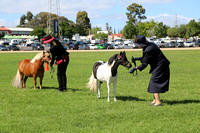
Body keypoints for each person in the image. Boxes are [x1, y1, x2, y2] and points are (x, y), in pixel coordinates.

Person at [129, 35, 170, 106]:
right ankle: (154, 100)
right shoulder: (150, 45)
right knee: (152, 82)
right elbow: (147, 58)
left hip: (161, 66)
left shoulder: (148, 49)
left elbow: (144, 64)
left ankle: (158, 102)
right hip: (159, 66)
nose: (138, 46)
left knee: (154, 83)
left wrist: (135, 68)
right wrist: (138, 58)